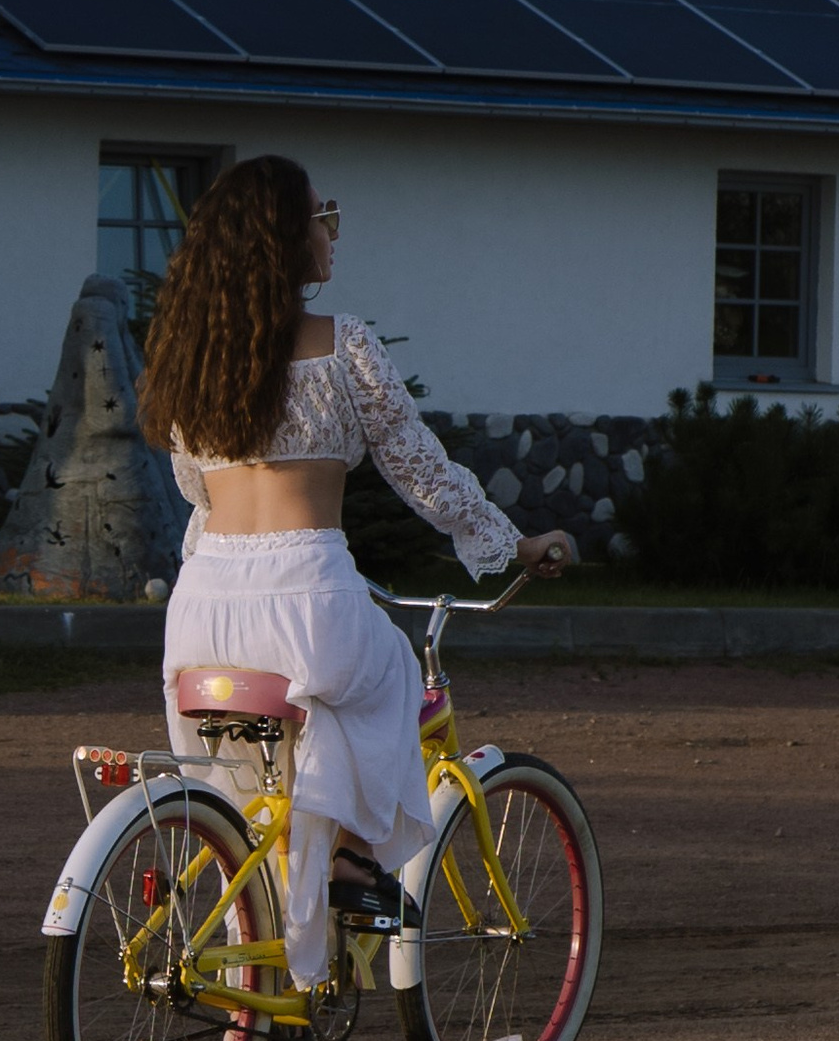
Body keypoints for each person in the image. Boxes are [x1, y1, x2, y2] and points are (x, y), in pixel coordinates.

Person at [138, 153, 573, 997]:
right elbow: (423, 473)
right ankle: (349, 863)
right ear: (283, 240)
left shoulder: (192, 363)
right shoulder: (345, 346)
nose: (330, 231)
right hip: (311, 595)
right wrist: (512, 543)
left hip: (201, 607)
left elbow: (195, 490)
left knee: (244, 794)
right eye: (319, 215)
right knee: (392, 676)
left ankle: (257, 960)